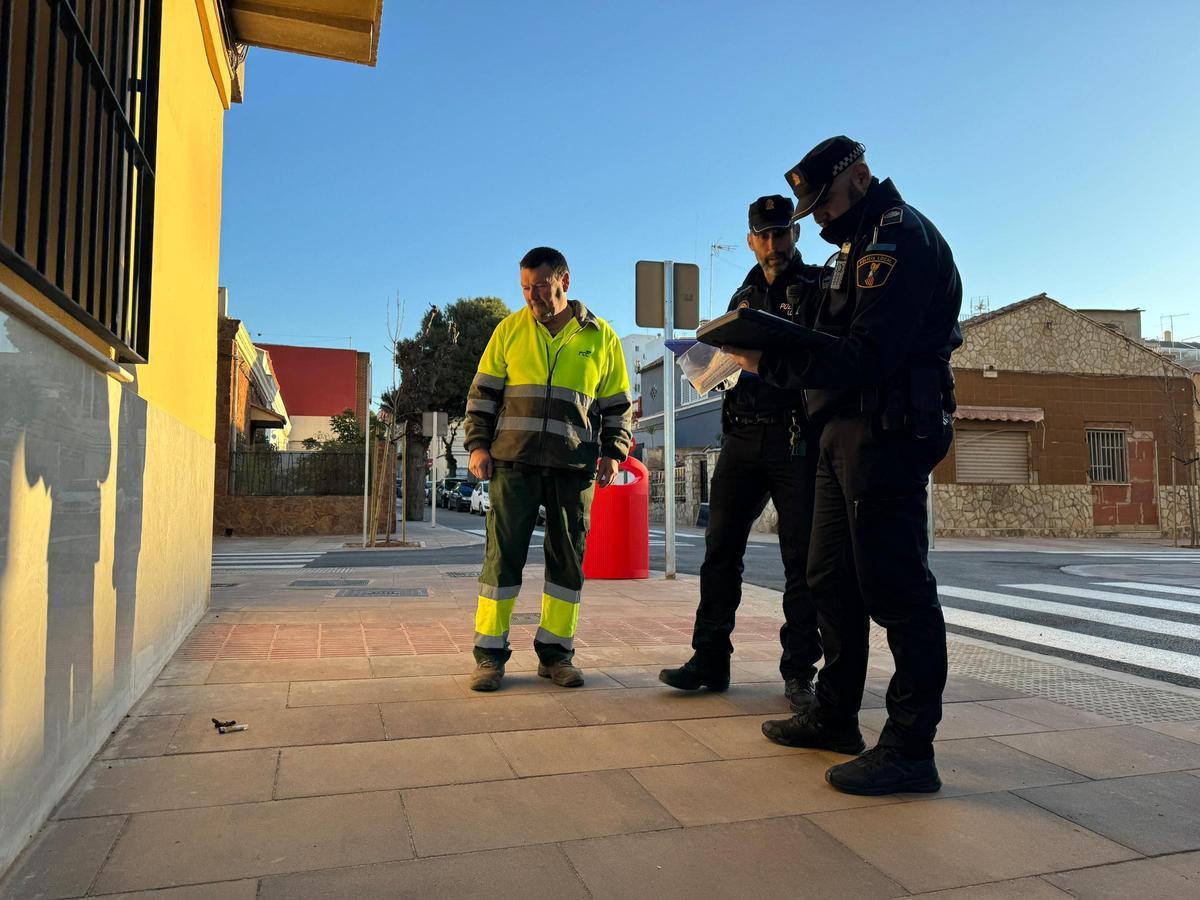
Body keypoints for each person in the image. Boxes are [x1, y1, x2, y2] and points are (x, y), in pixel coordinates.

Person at [722, 137, 962, 796]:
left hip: (886, 428)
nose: (817, 218)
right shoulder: (851, 248)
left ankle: (912, 748)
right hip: (840, 431)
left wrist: (768, 361)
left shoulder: (897, 238)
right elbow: (828, 340)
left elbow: (865, 354)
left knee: (895, 585)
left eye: (822, 201)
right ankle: (834, 714)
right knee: (828, 575)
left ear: (857, 178)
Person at [659, 195, 826, 710]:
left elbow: (825, 355)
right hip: (741, 437)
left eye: (781, 233)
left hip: (794, 437)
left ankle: (800, 672)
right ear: (751, 239)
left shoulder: (818, 289)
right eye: (763, 235)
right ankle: (710, 658)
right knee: (720, 552)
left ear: (795, 235)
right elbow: (733, 366)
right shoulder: (742, 295)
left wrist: (765, 359)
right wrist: (708, 364)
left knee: (801, 560)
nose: (773, 245)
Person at [464, 246, 633, 692]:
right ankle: (489, 656)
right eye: (524, 288)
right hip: (513, 464)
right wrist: (478, 446)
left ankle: (557, 655)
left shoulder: (601, 338)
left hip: (572, 467)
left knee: (567, 562)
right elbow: (481, 397)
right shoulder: (508, 331)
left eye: (540, 286)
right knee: (502, 560)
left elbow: (618, 407)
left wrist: (614, 453)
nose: (532, 297)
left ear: (564, 281)